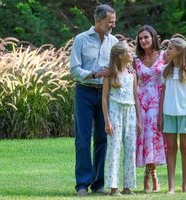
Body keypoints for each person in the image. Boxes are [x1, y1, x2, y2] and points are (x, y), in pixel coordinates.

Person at [70, 4, 118, 196]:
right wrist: (94, 74)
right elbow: (74, 69)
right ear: (98, 21)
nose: (113, 25)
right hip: (84, 92)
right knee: (82, 139)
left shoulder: (114, 41)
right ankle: (82, 184)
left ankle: (98, 184)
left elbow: (120, 66)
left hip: (106, 94)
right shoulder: (80, 39)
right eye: (110, 22)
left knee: (102, 138)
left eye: (114, 22)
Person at [102, 41, 142, 196]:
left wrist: (139, 120)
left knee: (131, 149)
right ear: (120, 56)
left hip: (130, 112)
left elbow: (136, 97)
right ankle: (113, 187)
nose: (132, 54)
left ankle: (128, 186)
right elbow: (104, 98)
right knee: (114, 149)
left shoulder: (132, 74)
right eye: (129, 52)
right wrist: (107, 121)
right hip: (115, 112)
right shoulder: (110, 75)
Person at [134, 25, 167, 193]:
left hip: (159, 101)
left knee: (154, 139)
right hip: (141, 103)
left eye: (146, 37)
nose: (143, 40)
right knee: (145, 139)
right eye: (140, 38)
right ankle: (150, 174)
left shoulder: (164, 56)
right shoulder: (135, 59)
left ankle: (151, 174)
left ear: (153, 37)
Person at [159, 36, 186, 194]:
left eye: (170, 48)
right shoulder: (165, 70)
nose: (166, 51)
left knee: (184, 148)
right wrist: (160, 115)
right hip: (169, 113)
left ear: (179, 51)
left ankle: (184, 185)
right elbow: (163, 94)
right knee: (171, 149)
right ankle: (171, 187)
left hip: (185, 113)